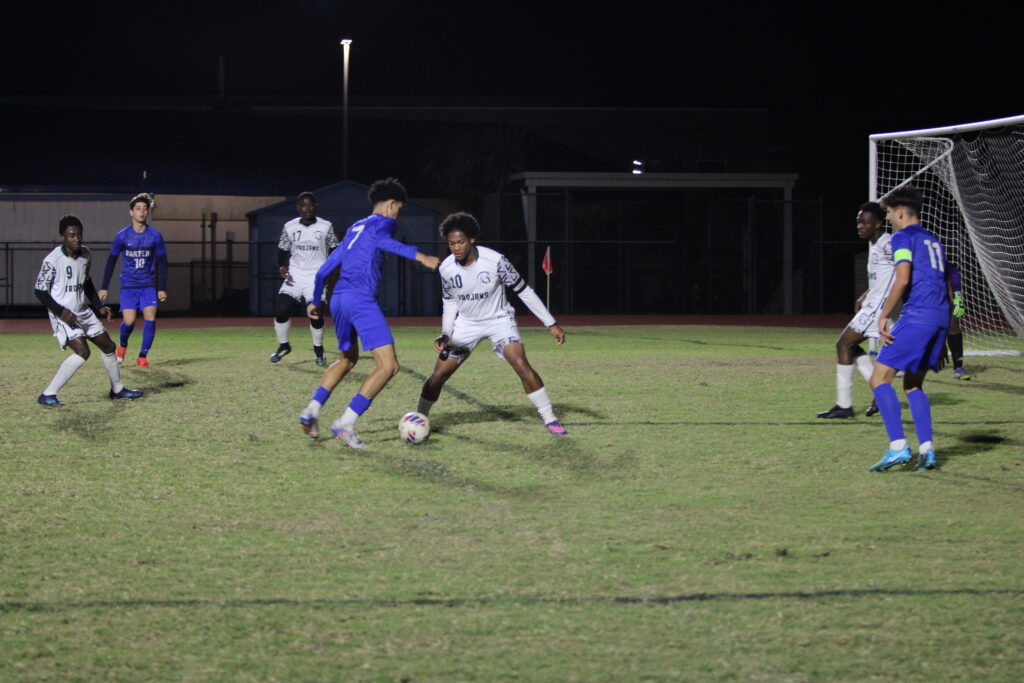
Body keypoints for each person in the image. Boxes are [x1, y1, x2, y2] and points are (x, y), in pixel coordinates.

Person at [297, 178, 440, 448]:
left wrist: (316, 301)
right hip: (360, 299)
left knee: (346, 360)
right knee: (388, 366)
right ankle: (345, 423)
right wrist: (422, 257)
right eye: (399, 208)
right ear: (391, 204)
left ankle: (311, 411)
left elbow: (324, 270)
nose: (398, 214)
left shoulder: (354, 228)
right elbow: (386, 243)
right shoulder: (383, 223)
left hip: (338, 299)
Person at [415, 212, 568, 435]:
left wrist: (550, 323)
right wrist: (446, 334)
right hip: (466, 324)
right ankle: (419, 418)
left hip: (499, 320)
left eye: (460, 242)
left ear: (471, 239)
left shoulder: (496, 261)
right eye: (451, 243)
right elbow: (449, 303)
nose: (456, 247)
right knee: (438, 376)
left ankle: (550, 419)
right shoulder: (446, 268)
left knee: (519, 361)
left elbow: (524, 291)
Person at [867, 187, 950, 472]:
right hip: (939, 319)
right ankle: (927, 450)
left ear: (900, 211)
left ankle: (898, 447)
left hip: (917, 317)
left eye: (889, 213)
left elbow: (902, 279)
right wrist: (944, 334)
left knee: (878, 379)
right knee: (913, 384)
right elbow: (945, 284)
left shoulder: (903, 237)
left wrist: (883, 315)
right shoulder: (933, 240)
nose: (888, 218)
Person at [35, 215, 143, 406]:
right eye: (71, 235)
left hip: (82, 311)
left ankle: (117, 390)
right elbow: (40, 291)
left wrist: (99, 306)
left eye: (79, 234)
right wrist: (60, 311)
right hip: (63, 314)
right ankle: (48, 394)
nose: (76, 239)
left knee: (109, 347)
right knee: (82, 352)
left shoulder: (86, 254)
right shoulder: (52, 260)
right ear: (62, 237)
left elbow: (86, 283)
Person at [817, 202, 894, 419]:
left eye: (865, 222)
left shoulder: (888, 243)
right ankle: (877, 392)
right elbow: (884, 277)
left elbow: (905, 270)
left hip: (878, 311)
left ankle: (845, 404)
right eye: (858, 222)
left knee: (844, 344)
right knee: (848, 346)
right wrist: (866, 294)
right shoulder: (876, 244)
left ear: (878, 223)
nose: (860, 226)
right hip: (872, 306)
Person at [98, 193, 168, 368]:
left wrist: (162, 288)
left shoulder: (155, 235)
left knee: (150, 317)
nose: (142, 212)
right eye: (138, 209)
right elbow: (111, 261)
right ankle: (122, 347)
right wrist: (104, 287)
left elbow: (162, 262)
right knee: (129, 321)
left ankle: (142, 356)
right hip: (128, 286)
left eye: (145, 209)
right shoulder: (122, 236)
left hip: (147, 285)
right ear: (131, 212)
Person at [269, 191, 338, 366]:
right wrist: (282, 267)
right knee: (281, 310)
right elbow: (283, 249)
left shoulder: (326, 226)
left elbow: (335, 250)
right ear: (298, 208)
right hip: (295, 275)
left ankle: (318, 350)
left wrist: (329, 271)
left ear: (316, 207)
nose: (307, 208)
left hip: (316, 277)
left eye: (310, 204)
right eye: (303, 205)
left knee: (315, 314)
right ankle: (284, 345)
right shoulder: (289, 227)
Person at [946, 261, 970, 379]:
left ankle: (958, 368)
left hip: (943, 295)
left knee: (953, 327)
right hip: (923, 297)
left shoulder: (936, 252)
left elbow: (952, 271)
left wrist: (958, 297)